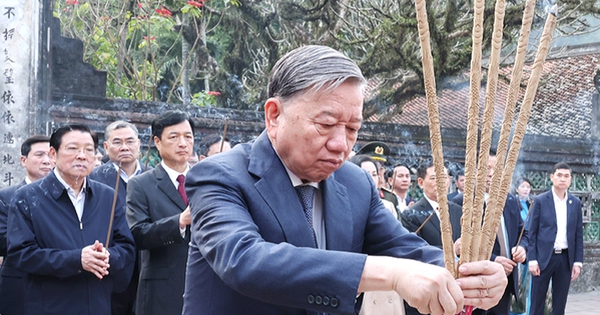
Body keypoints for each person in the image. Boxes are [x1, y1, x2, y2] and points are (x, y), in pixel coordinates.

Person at [182, 45, 507, 315]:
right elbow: (245, 261)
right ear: (274, 115)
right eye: (325, 124)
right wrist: (391, 274)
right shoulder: (218, 176)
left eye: (352, 129)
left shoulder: (354, 183)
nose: (341, 144)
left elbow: (406, 251)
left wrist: (466, 272)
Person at [6, 124, 135, 315]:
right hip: (49, 305)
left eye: (89, 150)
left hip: (98, 304)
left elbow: (126, 247)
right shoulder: (27, 197)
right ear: (53, 154)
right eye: (73, 148)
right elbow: (21, 254)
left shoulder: (108, 196)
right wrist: (76, 259)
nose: (82, 156)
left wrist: (107, 257)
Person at [126, 110, 194, 315]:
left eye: (188, 136)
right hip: (162, 291)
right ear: (157, 141)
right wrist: (179, 222)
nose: (182, 143)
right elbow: (137, 233)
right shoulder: (140, 184)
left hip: (204, 284)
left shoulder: (207, 180)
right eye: (174, 137)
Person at [453, 153, 528, 315]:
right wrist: (493, 260)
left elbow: (524, 233)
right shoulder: (462, 202)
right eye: (486, 168)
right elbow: (458, 245)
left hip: (506, 280)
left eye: (496, 169)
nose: (490, 173)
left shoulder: (510, 200)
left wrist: (521, 247)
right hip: (476, 283)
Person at [89, 120, 147, 315]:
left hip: (149, 271)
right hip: (112, 273)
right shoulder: (93, 179)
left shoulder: (154, 177)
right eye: (117, 142)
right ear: (106, 147)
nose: (124, 147)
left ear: (139, 144)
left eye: (130, 141)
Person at [0, 135, 53, 315]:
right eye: (39, 155)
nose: (46, 161)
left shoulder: (69, 197)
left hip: (60, 283)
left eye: (50, 154)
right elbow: (2, 240)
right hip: (19, 282)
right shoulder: (6, 197)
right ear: (23, 160)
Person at [528, 162, 583, 315]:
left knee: (559, 304)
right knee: (537, 303)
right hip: (544, 258)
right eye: (559, 175)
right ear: (552, 177)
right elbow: (532, 232)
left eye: (566, 176)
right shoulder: (540, 200)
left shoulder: (575, 203)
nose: (562, 179)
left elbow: (578, 234)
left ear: (570, 179)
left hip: (565, 259)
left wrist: (577, 262)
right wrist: (532, 259)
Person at [401, 161, 462, 249]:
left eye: (444, 177)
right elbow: (414, 249)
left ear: (449, 179)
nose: (441, 182)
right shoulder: (410, 214)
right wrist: (452, 250)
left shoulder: (459, 211)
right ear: (421, 183)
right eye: (434, 178)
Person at [349, 155, 399, 219]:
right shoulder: (345, 205)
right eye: (366, 174)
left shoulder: (387, 207)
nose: (371, 179)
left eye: (374, 174)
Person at [510, 177, 533, 315]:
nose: (526, 189)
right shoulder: (513, 203)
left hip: (529, 246)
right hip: (517, 247)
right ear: (517, 188)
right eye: (523, 186)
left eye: (528, 187)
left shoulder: (531, 204)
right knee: (518, 283)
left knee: (528, 284)